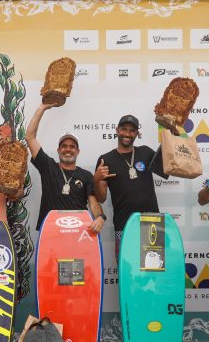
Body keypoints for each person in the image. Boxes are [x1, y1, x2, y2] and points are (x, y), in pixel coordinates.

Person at [93, 114, 167, 259]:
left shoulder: (146, 152)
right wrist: (96, 179)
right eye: (124, 129)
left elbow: (169, 167)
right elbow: (101, 198)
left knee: (153, 271)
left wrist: (172, 133)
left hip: (152, 222)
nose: (127, 133)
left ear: (137, 134)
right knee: (127, 270)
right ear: (116, 130)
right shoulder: (105, 159)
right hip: (124, 225)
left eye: (132, 130)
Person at [25, 103, 105, 233]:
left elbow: (94, 203)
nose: (68, 149)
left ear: (78, 151)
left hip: (78, 231)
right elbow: (30, 137)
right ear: (58, 150)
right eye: (64, 146)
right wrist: (42, 108)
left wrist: (100, 217)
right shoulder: (48, 166)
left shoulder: (86, 175)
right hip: (50, 231)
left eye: (72, 146)